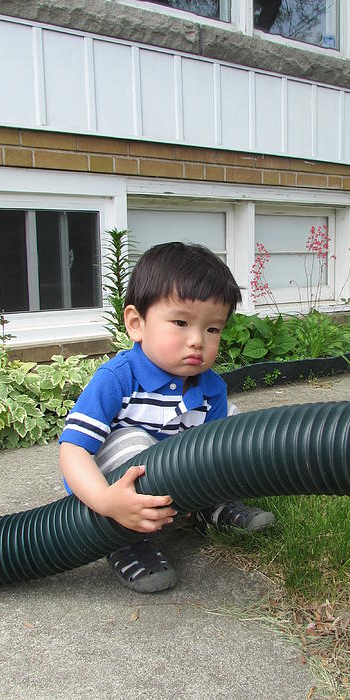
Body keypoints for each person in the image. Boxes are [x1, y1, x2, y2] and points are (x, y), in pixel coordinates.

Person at [59, 241, 275, 593]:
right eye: (180, 322)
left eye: (212, 329)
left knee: (228, 432)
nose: (197, 341)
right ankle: (124, 540)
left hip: (177, 481)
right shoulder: (117, 379)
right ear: (136, 323)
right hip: (118, 487)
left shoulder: (211, 388)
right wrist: (105, 502)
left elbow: (216, 452)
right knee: (135, 441)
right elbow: (72, 450)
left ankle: (211, 509)